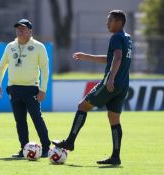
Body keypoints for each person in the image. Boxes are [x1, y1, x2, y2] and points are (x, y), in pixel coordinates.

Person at [52, 10, 132, 165]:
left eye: (110, 20)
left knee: (82, 106)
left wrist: (111, 78)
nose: (107, 23)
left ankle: (70, 141)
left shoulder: (116, 37)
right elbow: (111, 58)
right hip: (123, 85)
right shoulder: (127, 38)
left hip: (112, 83)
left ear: (118, 22)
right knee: (114, 118)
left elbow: (117, 57)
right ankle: (115, 156)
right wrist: (85, 56)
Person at [0, 19, 51, 158]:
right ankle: (24, 148)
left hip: (31, 89)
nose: (20, 30)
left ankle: (46, 148)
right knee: (20, 120)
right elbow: (2, 66)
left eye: (23, 28)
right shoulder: (10, 46)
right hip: (14, 89)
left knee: (37, 118)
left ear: (30, 31)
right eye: (18, 28)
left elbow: (45, 69)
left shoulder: (39, 47)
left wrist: (43, 89)